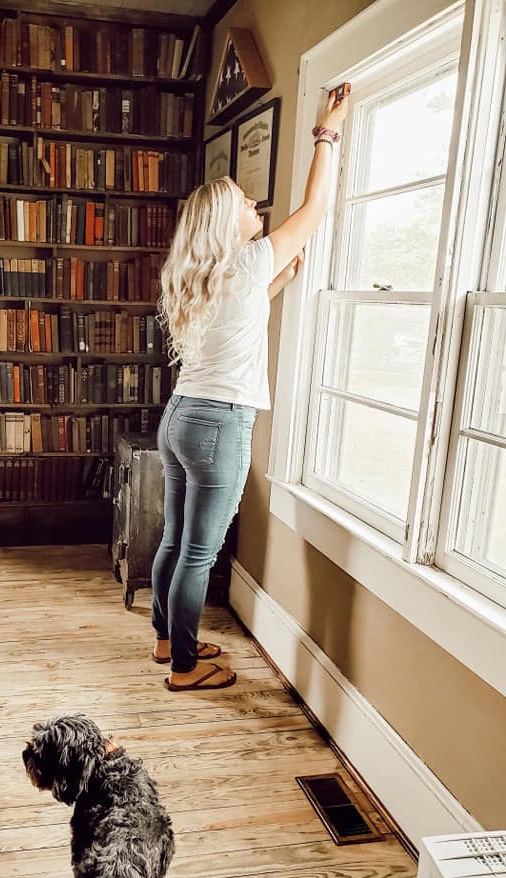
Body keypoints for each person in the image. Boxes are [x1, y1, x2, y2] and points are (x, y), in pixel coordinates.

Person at [151, 87, 350, 691]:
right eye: (245, 201)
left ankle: (167, 642)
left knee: (174, 540)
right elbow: (315, 210)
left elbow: (236, 321)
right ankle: (185, 669)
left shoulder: (211, 275)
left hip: (181, 417)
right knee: (198, 554)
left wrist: (281, 282)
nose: (254, 203)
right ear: (226, 220)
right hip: (219, 425)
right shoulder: (250, 259)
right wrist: (328, 134)